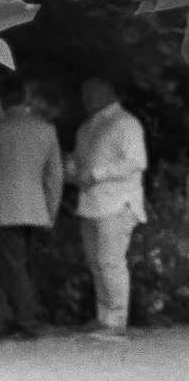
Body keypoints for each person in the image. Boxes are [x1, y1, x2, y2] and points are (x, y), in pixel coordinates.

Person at [0, 79, 65, 340]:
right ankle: (21, 317)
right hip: (36, 207)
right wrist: (51, 211)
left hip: (4, 207)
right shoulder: (46, 130)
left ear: (2, 101)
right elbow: (55, 176)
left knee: (12, 266)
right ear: (26, 98)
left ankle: (25, 321)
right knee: (23, 265)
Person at [71, 77, 148, 341]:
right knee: (96, 263)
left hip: (117, 202)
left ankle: (116, 321)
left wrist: (95, 174)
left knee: (110, 262)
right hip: (90, 203)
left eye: (89, 92)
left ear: (108, 92)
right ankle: (104, 318)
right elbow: (79, 164)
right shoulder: (84, 129)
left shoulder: (126, 123)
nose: (84, 98)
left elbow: (136, 162)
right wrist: (70, 171)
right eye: (83, 93)